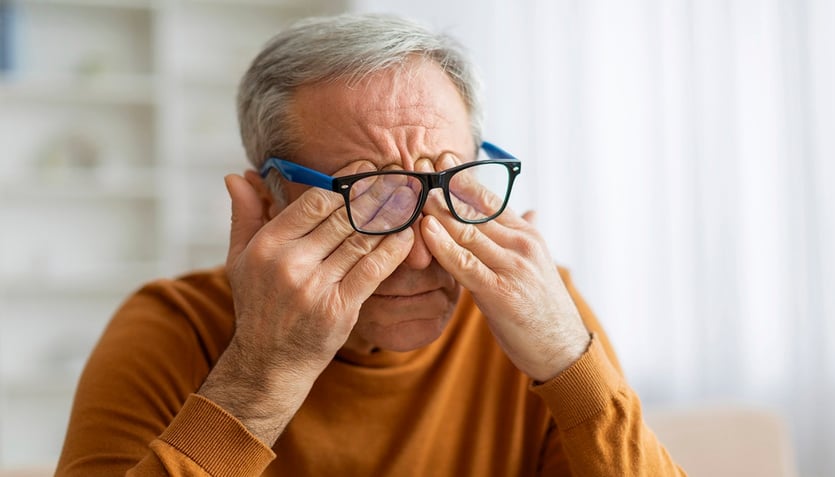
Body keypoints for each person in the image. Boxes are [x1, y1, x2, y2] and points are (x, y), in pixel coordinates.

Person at [56, 13, 685, 476]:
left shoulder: (535, 308)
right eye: (370, 198)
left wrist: (569, 362)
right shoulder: (170, 328)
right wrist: (263, 373)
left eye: (447, 182)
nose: (419, 253)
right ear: (267, 202)